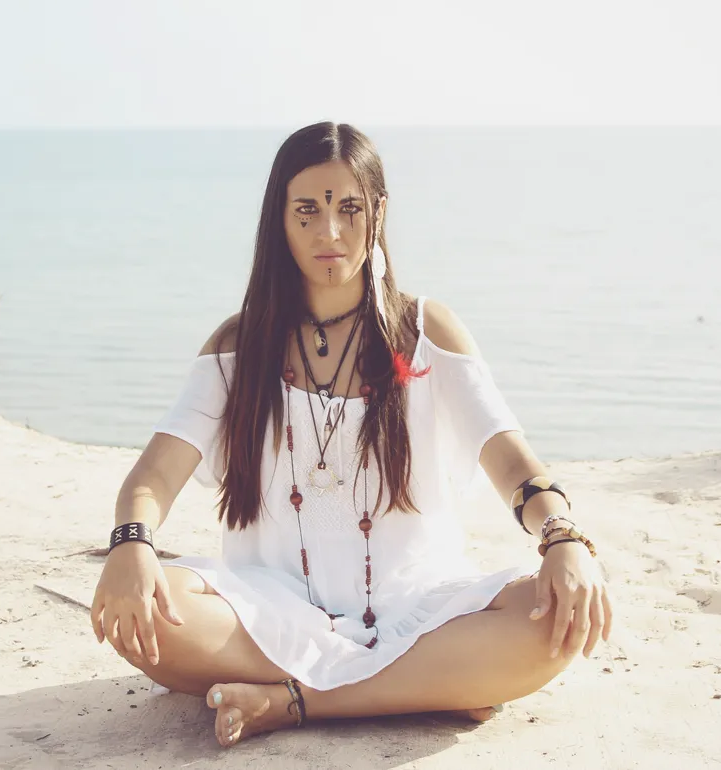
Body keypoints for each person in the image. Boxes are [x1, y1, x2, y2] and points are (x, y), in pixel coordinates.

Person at [90, 121, 612, 747]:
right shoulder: (238, 344)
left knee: (550, 623)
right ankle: (427, 687)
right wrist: (130, 545)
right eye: (307, 211)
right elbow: (153, 477)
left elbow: (512, 463)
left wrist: (561, 537)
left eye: (349, 208)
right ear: (279, 220)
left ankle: (298, 702)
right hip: (269, 609)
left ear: (378, 211)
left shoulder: (427, 329)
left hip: (419, 608)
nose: (329, 233)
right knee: (149, 614)